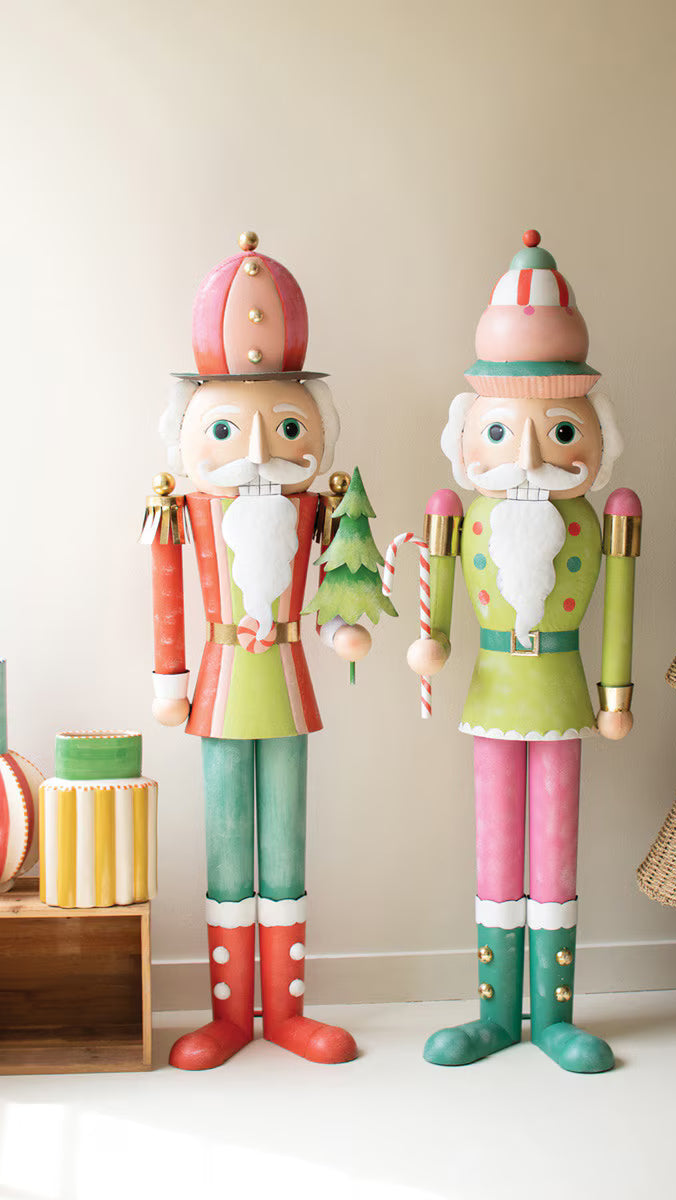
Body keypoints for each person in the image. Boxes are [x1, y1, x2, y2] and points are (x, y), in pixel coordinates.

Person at [408, 230, 640, 1072]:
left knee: (556, 854)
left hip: (564, 692)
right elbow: (436, 596)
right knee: (497, 853)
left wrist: (615, 694)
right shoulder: (463, 515)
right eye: (503, 432)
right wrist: (431, 640)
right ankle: (495, 1014)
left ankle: (556, 1018)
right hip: (492, 690)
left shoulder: (599, 517)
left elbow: (620, 607)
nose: (531, 457)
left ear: (594, 433)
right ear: (469, 434)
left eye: (559, 430)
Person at [144, 232, 369, 1070]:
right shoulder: (187, 508)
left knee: (286, 846)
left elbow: (335, 589)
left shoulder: (317, 508)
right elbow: (169, 595)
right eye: (227, 428)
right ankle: (231, 1016)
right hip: (217, 683)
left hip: (287, 677)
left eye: (284, 425)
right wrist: (169, 678)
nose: (258, 450)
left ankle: (288, 1013)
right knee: (227, 847)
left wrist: (342, 630)